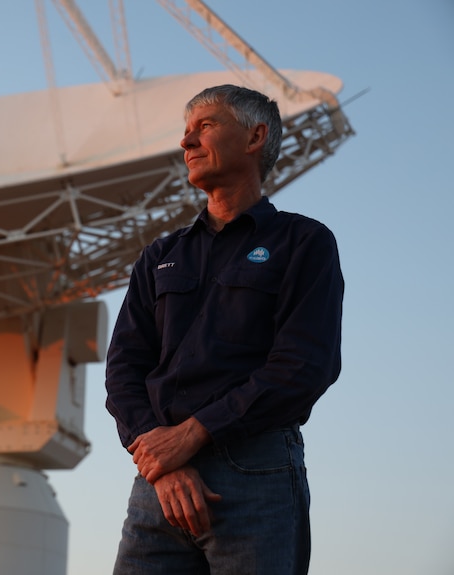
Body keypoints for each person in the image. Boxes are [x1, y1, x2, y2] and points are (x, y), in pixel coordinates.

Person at [105, 84, 344, 574]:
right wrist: (163, 458)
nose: (186, 141)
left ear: (256, 136)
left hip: (255, 473)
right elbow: (124, 369)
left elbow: (304, 365)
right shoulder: (159, 257)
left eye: (205, 126)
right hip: (159, 484)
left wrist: (193, 434)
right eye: (186, 130)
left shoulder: (304, 243)